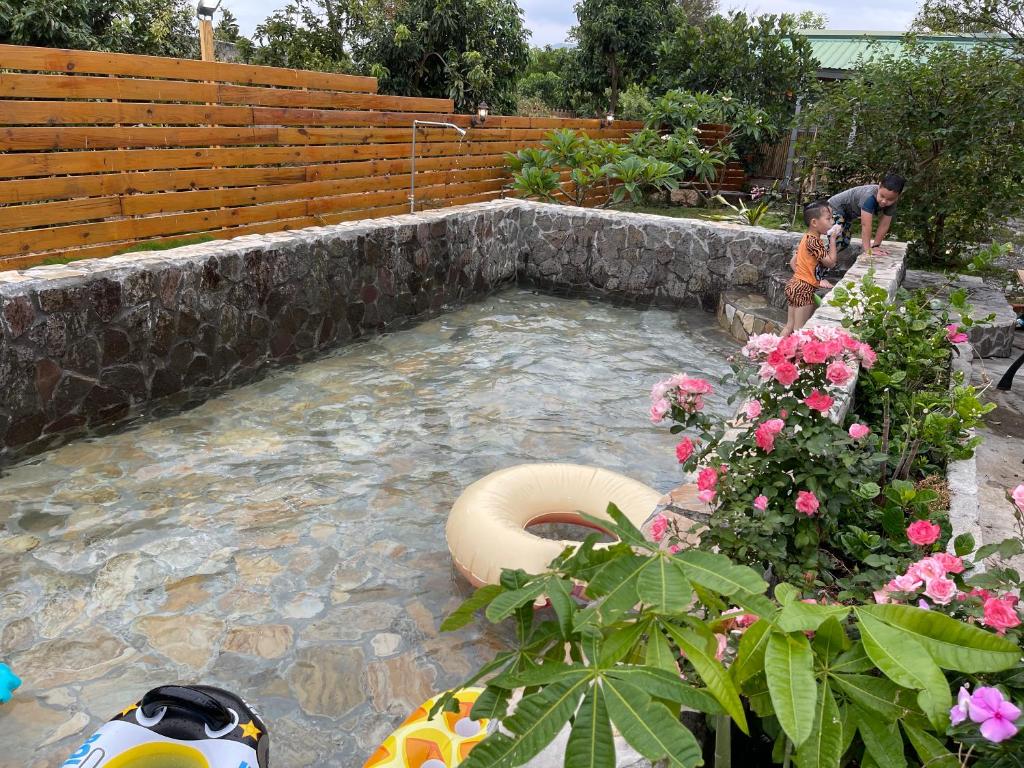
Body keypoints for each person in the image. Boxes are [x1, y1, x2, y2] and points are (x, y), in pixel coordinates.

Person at [781, 200, 839, 337]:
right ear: (814, 222)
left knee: (789, 326)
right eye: (828, 219)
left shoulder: (806, 238)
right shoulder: (815, 241)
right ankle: (789, 358)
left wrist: (806, 276)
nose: (832, 223)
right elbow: (830, 263)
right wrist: (833, 240)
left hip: (794, 284)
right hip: (804, 288)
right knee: (799, 332)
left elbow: (792, 263)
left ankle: (773, 356)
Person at [827, 174, 905, 257]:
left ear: (898, 196)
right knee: (837, 239)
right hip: (834, 208)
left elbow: (884, 225)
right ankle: (822, 261)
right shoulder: (869, 196)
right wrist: (867, 249)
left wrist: (875, 246)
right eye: (882, 196)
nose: (884, 201)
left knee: (844, 243)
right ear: (879, 187)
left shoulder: (892, 202)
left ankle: (827, 262)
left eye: (890, 199)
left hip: (847, 215)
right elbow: (865, 225)